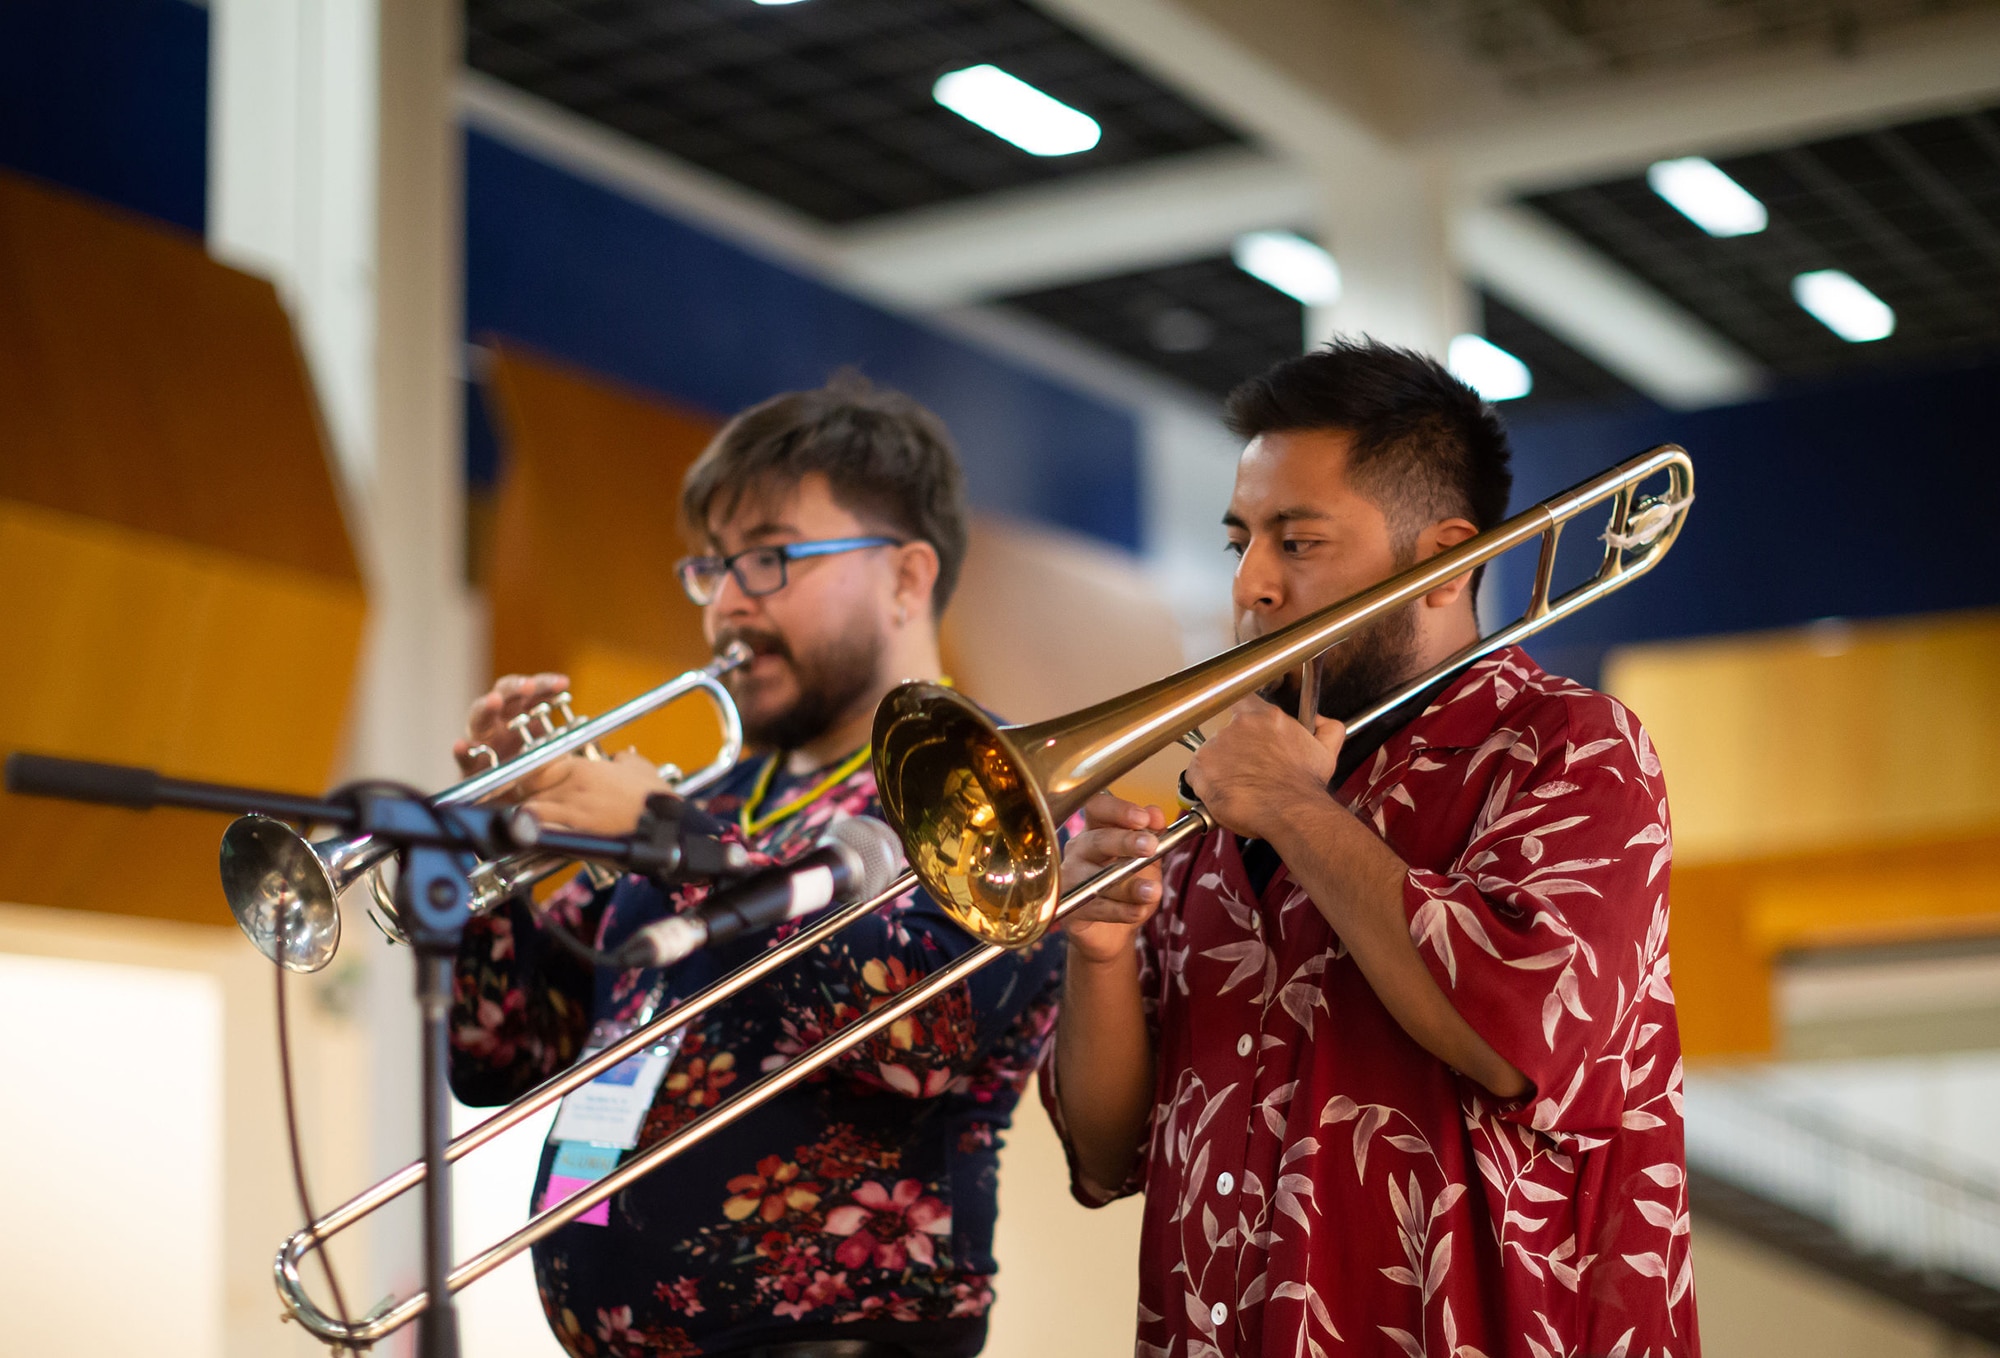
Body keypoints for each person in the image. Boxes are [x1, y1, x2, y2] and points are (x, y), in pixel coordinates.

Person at [1046, 340, 1696, 1357]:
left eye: (1295, 542)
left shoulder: (1568, 749)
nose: (1251, 583)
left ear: (1442, 563)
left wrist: (1295, 812)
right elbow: (1104, 1149)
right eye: (1238, 543)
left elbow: (1515, 1035)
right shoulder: (1226, 796)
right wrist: (1096, 952)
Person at [449, 375, 1063, 1358]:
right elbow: (502, 1055)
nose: (727, 605)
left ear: (906, 578)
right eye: (713, 567)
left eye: (771, 558)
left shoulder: (989, 784)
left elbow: (921, 1039)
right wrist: (494, 856)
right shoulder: (724, 796)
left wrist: (676, 842)